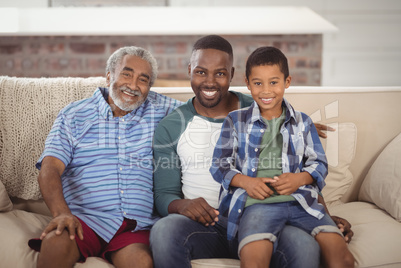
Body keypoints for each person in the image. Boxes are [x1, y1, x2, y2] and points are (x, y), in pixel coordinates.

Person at [150, 35, 353, 268]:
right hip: (207, 223)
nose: (209, 81)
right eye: (200, 72)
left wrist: (324, 216)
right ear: (189, 71)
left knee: (303, 245)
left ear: (232, 74)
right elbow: (163, 194)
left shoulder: (258, 106)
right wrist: (182, 205)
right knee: (164, 230)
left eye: (220, 73)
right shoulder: (172, 125)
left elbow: (295, 162)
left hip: (262, 213)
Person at [28, 46, 182, 268]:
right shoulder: (74, 115)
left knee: (140, 262)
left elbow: (204, 110)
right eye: (126, 74)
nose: (133, 85)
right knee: (55, 244)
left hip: (136, 226)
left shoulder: (164, 109)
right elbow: (50, 169)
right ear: (109, 75)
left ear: (150, 86)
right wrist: (61, 214)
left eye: (143, 79)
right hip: (85, 220)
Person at [209, 46, 355, 268]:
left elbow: (319, 163)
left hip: (301, 202)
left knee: (341, 258)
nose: (266, 90)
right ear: (247, 83)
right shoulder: (235, 121)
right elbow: (219, 165)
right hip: (257, 205)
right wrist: (247, 182)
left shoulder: (303, 122)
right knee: (254, 259)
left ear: (287, 82)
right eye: (258, 83)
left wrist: (300, 178)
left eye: (274, 82)